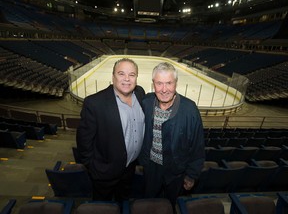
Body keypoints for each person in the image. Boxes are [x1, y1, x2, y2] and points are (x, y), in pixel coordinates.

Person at [76, 58, 145, 202]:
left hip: (129, 169)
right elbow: (84, 142)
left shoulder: (140, 94)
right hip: (104, 173)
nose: (127, 79)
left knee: (123, 202)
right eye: (121, 74)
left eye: (132, 75)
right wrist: (95, 169)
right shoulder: (94, 103)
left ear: (136, 78)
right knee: (103, 206)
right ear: (113, 76)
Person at [139, 62, 205, 210]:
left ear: (176, 83)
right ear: (153, 84)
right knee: (149, 203)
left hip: (176, 171)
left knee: (170, 204)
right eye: (159, 83)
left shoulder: (190, 110)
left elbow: (197, 146)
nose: (164, 89)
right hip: (151, 167)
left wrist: (191, 175)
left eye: (169, 83)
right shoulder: (146, 103)